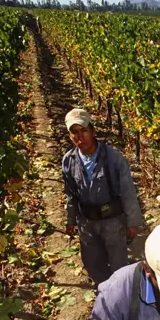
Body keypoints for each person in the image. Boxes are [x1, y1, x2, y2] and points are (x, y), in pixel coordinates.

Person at [62, 108, 142, 286]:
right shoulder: (68, 160)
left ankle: (120, 299)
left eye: (84, 131)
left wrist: (133, 222)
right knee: (92, 264)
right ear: (69, 135)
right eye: (74, 132)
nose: (80, 137)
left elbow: (128, 191)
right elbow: (70, 193)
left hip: (112, 222)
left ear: (93, 131)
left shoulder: (113, 158)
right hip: (86, 223)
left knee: (118, 266)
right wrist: (70, 219)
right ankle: (104, 294)